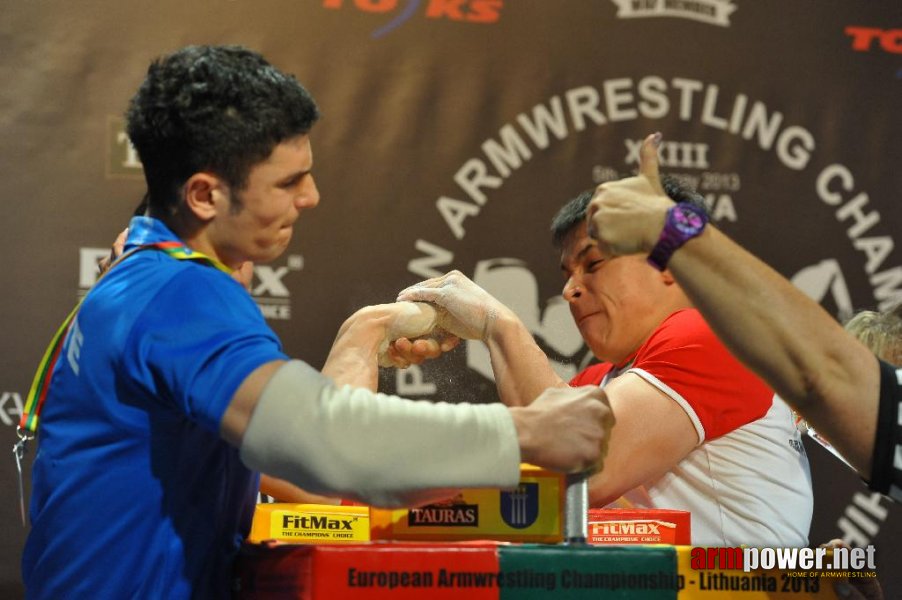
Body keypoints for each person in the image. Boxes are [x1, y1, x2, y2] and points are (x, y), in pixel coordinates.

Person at [21, 45, 614, 599]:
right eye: (288, 182)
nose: (311, 196)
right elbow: (327, 445)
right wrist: (527, 432)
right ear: (204, 195)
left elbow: (310, 464)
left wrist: (364, 336)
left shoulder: (143, 280)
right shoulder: (181, 290)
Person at [398, 186, 813, 547]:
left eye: (593, 264)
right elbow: (528, 480)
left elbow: (587, 469)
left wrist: (498, 324)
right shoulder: (601, 380)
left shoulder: (710, 337)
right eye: (568, 272)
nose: (569, 289)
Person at [586, 132, 902, 503]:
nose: (573, 289)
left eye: (593, 264)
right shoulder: (611, 375)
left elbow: (820, 373)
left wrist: (670, 229)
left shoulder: (702, 344)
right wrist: (802, 564)